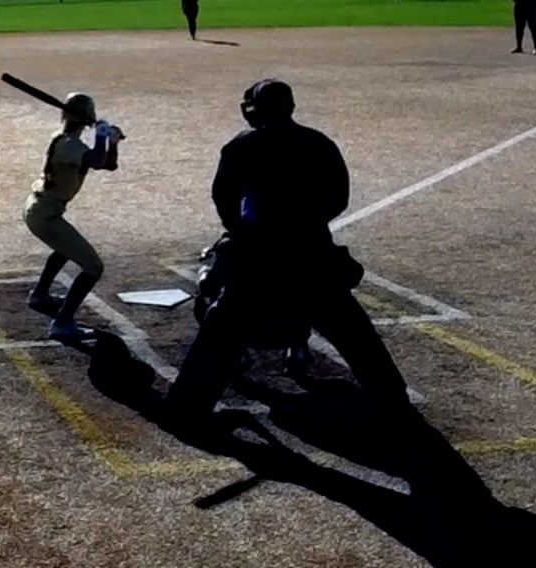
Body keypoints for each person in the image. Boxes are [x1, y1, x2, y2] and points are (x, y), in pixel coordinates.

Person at [163, 80, 412, 434]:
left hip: (258, 258)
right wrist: (305, 222)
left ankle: (186, 408)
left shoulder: (241, 147)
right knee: (352, 330)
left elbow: (224, 199)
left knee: (222, 328)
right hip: (312, 252)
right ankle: (393, 400)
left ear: (253, 111)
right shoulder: (318, 143)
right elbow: (338, 198)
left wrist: (246, 231)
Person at [24, 93, 124, 343]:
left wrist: (112, 141)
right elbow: (97, 160)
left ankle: (40, 295)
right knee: (93, 267)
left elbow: (108, 164)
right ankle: (62, 323)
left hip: (42, 209)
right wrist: (101, 135)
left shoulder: (69, 142)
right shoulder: (68, 144)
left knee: (65, 248)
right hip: (44, 214)